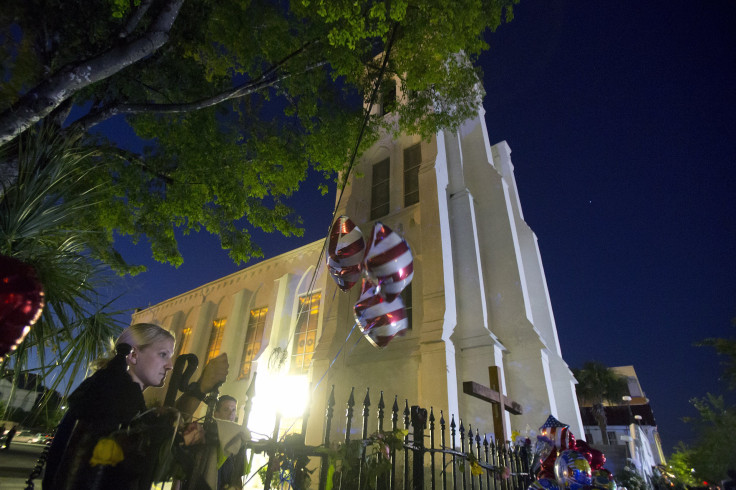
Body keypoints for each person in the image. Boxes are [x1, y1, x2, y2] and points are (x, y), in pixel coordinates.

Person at [42, 322, 229, 489]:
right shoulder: (113, 394)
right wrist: (182, 443)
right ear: (133, 355)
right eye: (163, 354)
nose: (170, 365)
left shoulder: (109, 388)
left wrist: (200, 388)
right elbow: (129, 465)